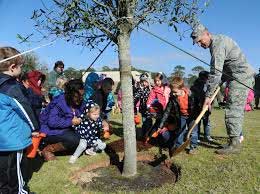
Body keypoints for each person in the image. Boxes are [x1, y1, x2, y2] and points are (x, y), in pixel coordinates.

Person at [191, 23, 254, 155]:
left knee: (232, 109)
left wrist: (208, 96)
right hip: (233, 77)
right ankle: (234, 141)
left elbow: (215, 72)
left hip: (240, 78)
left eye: (200, 40)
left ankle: (234, 145)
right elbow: (223, 69)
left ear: (207, 34)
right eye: (197, 42)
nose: (199, 44)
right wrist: (219, 82)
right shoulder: (217, 42)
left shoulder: (217, 45)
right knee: (233, 108)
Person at [0, 46, 39, 193]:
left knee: (3, 174)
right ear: (12, 67)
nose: (22, 69)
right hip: (11, 140)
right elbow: (25, 109)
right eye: (21, 66)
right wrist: (34, 128)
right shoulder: (11, 87)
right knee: (15, 173)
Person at [40, 79, 84, 161]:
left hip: (65, 129)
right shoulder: (59, 102)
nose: (80, 99)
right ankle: (47, 150)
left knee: (86, 136)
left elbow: (88, 109)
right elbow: (52, 122)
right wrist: (70, 122)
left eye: (82, 95)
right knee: (74, 140)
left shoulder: (80, 101)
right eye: (77, 96)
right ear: (70, 94)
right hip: (50, 131)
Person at [190, 71, 213, 142]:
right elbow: (194, 96)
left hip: (206, 107)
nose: (207, 79)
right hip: (197, 107)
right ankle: (197, 137)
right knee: (198, 122)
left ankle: (207, 136)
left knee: (206, 122)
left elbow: (212, 95)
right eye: (207, 77)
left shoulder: (209, 86)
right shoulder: (195, 86)